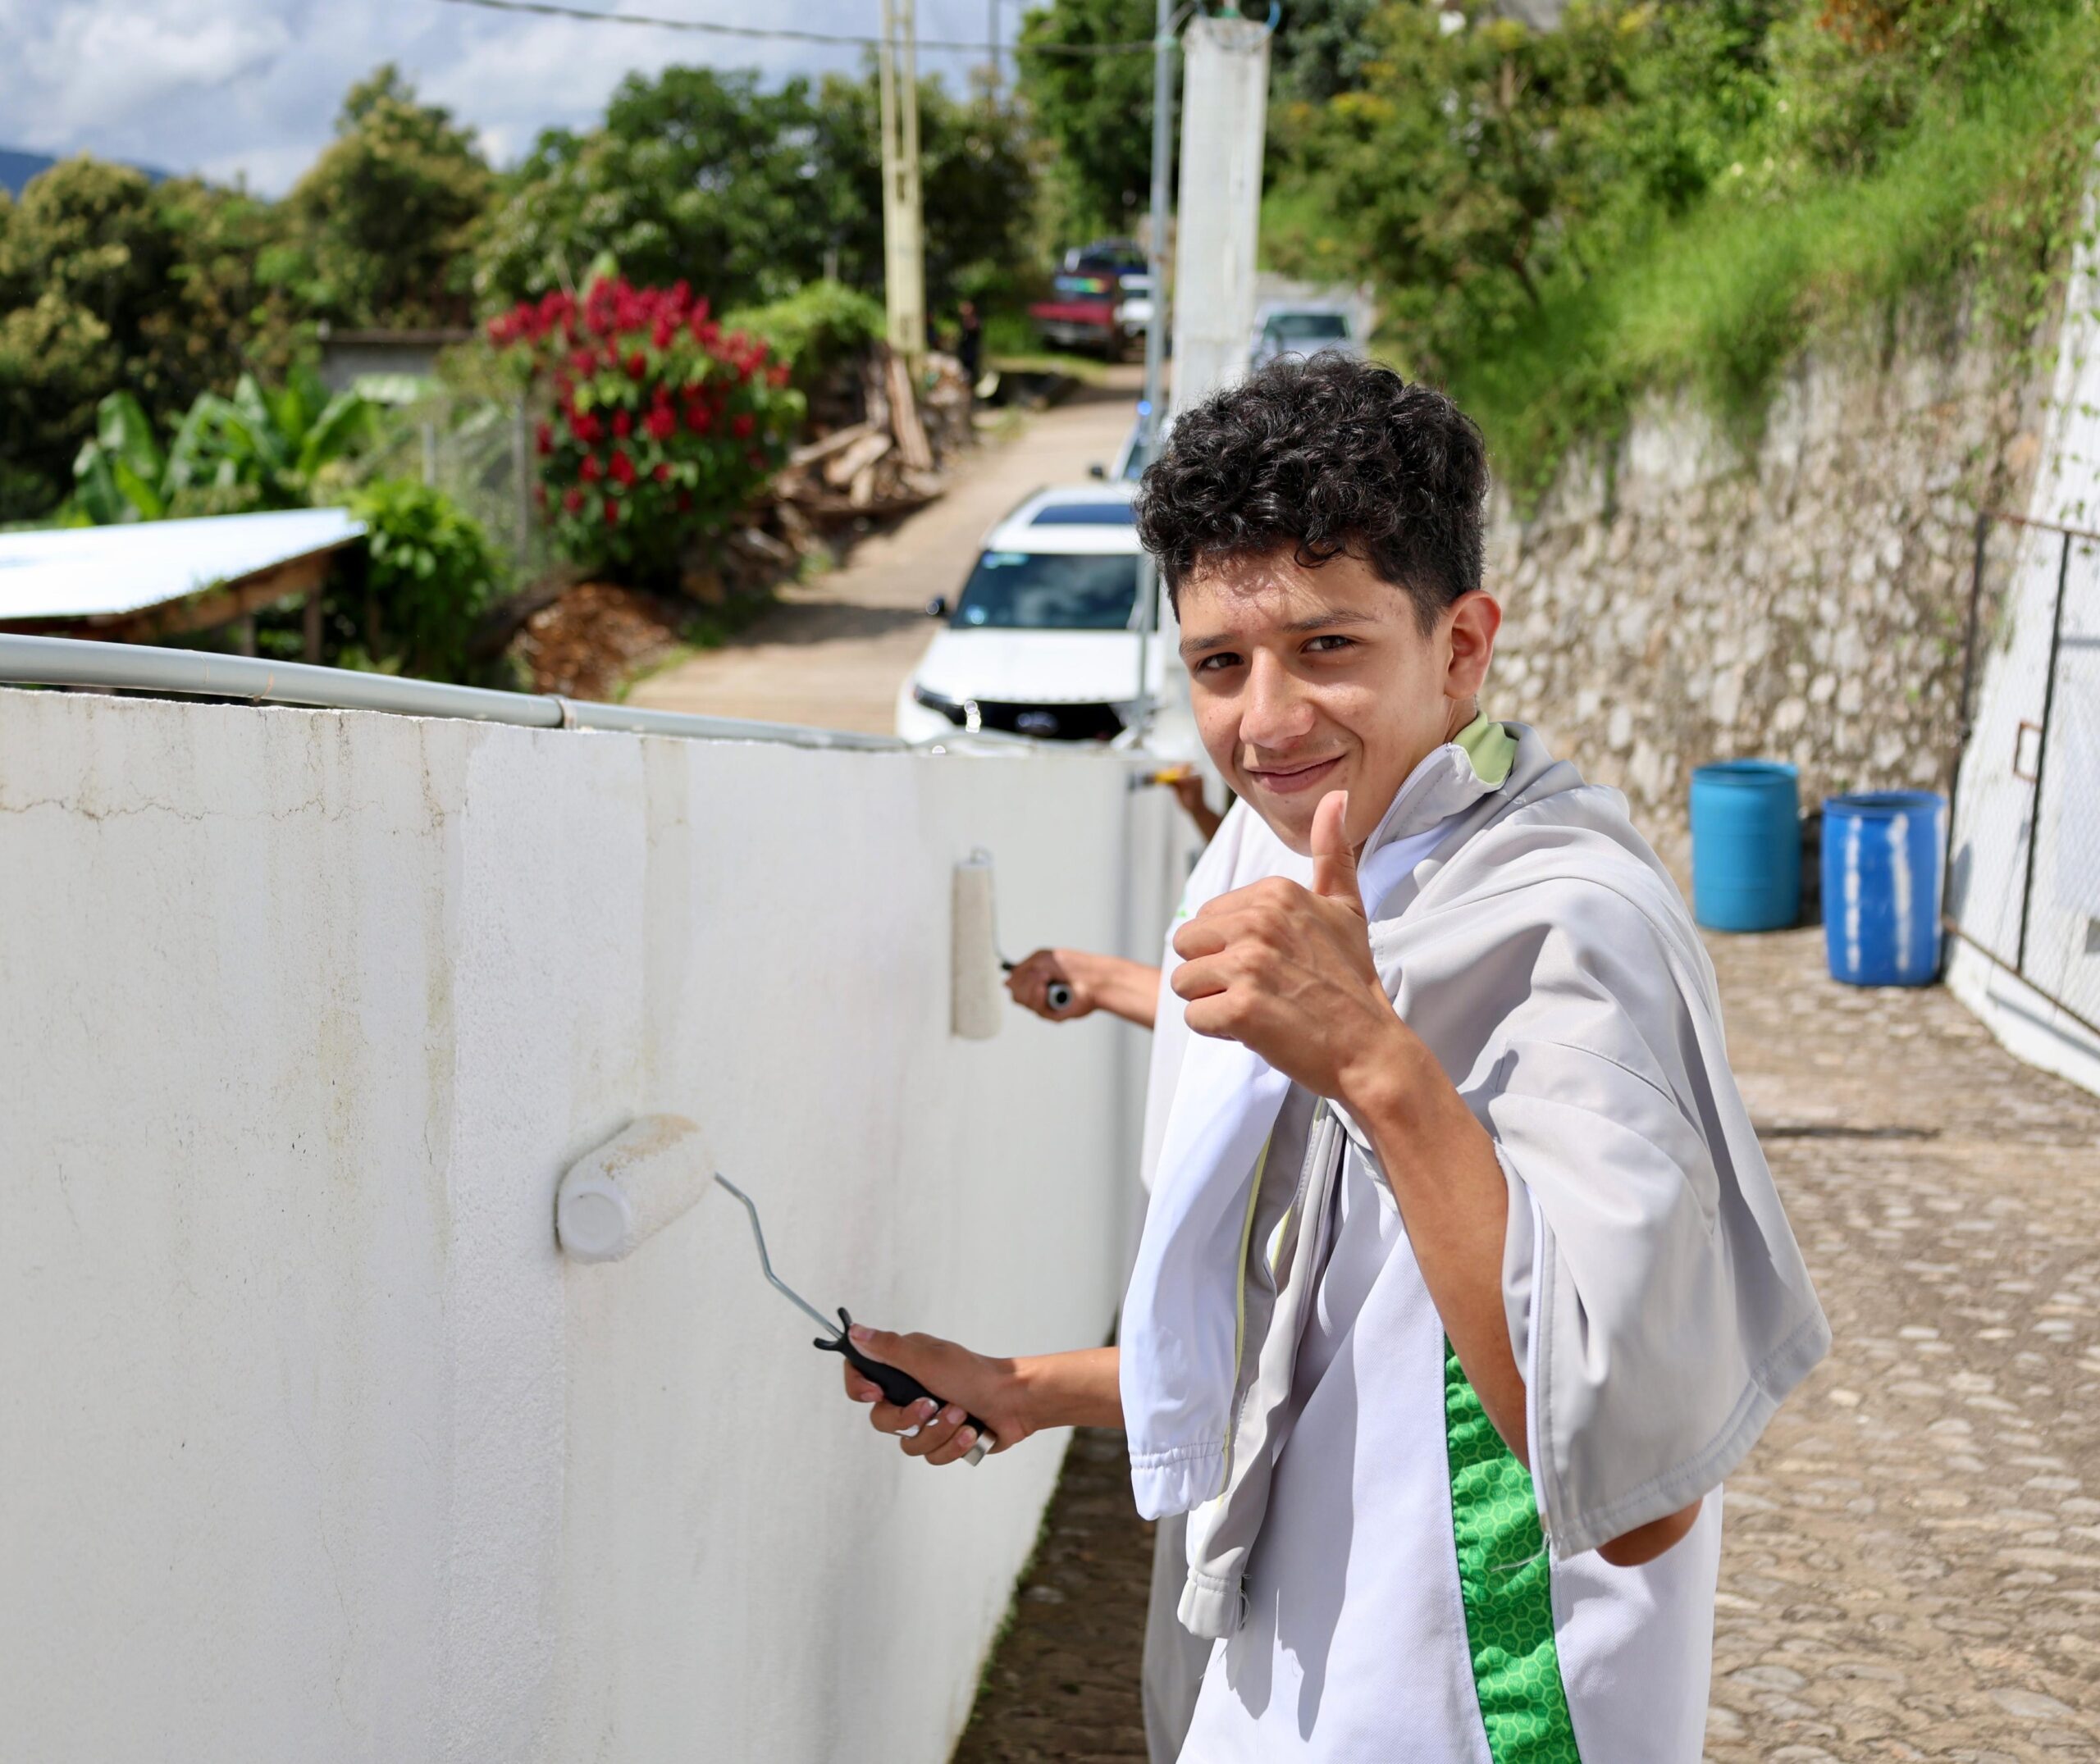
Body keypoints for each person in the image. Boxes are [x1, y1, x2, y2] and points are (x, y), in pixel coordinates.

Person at [842, 356, 1829, 1761]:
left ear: (1462, 647)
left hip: (1478, 1703)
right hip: (1278, 1671)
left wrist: (1376, 1060)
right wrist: (1024, 1390)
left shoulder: (1574, 936)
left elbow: (1640, 1490)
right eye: (1218, 665)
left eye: (1329, 648)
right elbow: (1313, 1325)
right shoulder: (1261, 853)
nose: (1267, 721)